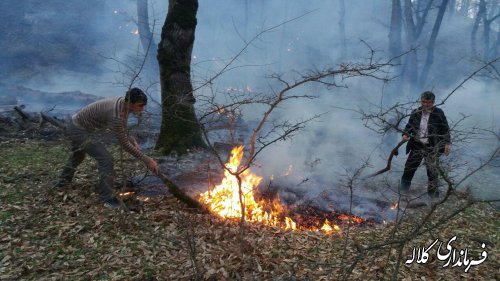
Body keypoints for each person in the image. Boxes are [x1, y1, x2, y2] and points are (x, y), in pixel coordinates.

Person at [53, 88, 159, 208]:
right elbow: (124, 144)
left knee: (78, 155)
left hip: (79, 125)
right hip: (79, 130)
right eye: (140, 106)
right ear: (130, 103)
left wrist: (132, 139)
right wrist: (147, 160)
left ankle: (62, 182)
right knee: (106, 159)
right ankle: (106, 199)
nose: (142, 109)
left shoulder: (122, 103)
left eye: (144, 106)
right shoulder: (116, 114)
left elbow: (123, 128)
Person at [400, 91, 451, 198]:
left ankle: (433, 196)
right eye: (423, 102)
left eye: (428, 102)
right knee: (409, 168)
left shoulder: (438, 113)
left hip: (432, 147)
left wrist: (447, 143)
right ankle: (402, 191)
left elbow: (445, 129)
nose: (425, 105)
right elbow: (409, 126)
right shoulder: (416, 112)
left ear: (433, 102)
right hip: (416, 145)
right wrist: (405, 134)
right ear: (421, 101)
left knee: (432, 172)